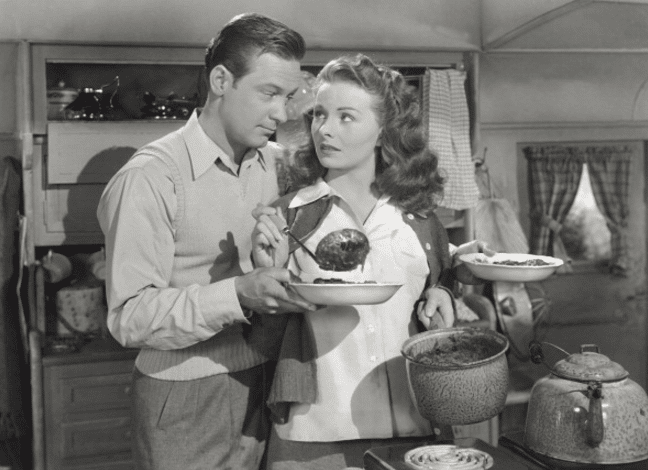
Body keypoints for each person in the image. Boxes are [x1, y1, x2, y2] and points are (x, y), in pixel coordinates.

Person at [251, 53, 492, 469]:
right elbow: (263, 343)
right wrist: (266, 275)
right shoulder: (288, 217)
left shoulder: (419, 220)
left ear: (384, 132)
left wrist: (445, 294)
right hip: (313, 438)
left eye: (346, 117)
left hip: (415, 431)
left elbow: (437, 297)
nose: (325, 129)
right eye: (319, 115)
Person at [97, 13, 315, 470]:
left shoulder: (278, 166)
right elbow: (129, 317)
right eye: (269, 93)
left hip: (269, 382)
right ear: (221, 80)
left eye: (289, 96)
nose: (282, 113)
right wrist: (237, 293)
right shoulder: (150, 177)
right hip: (184, 395)